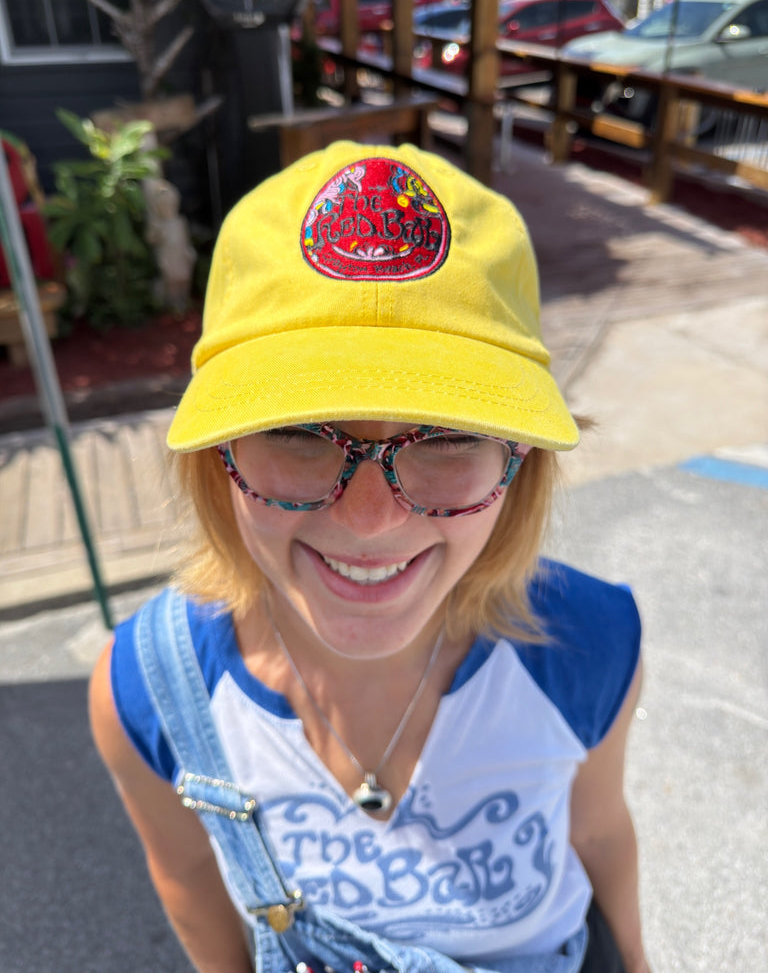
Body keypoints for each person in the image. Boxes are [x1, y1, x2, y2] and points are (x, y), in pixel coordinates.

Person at [89, 141, 652, 973]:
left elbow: (599, 827)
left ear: (520, 459)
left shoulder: (591, 644)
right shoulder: (151, 691)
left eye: (451, 435)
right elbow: (187, 882)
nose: (369, 518)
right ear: (215, 452)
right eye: (296, 430)